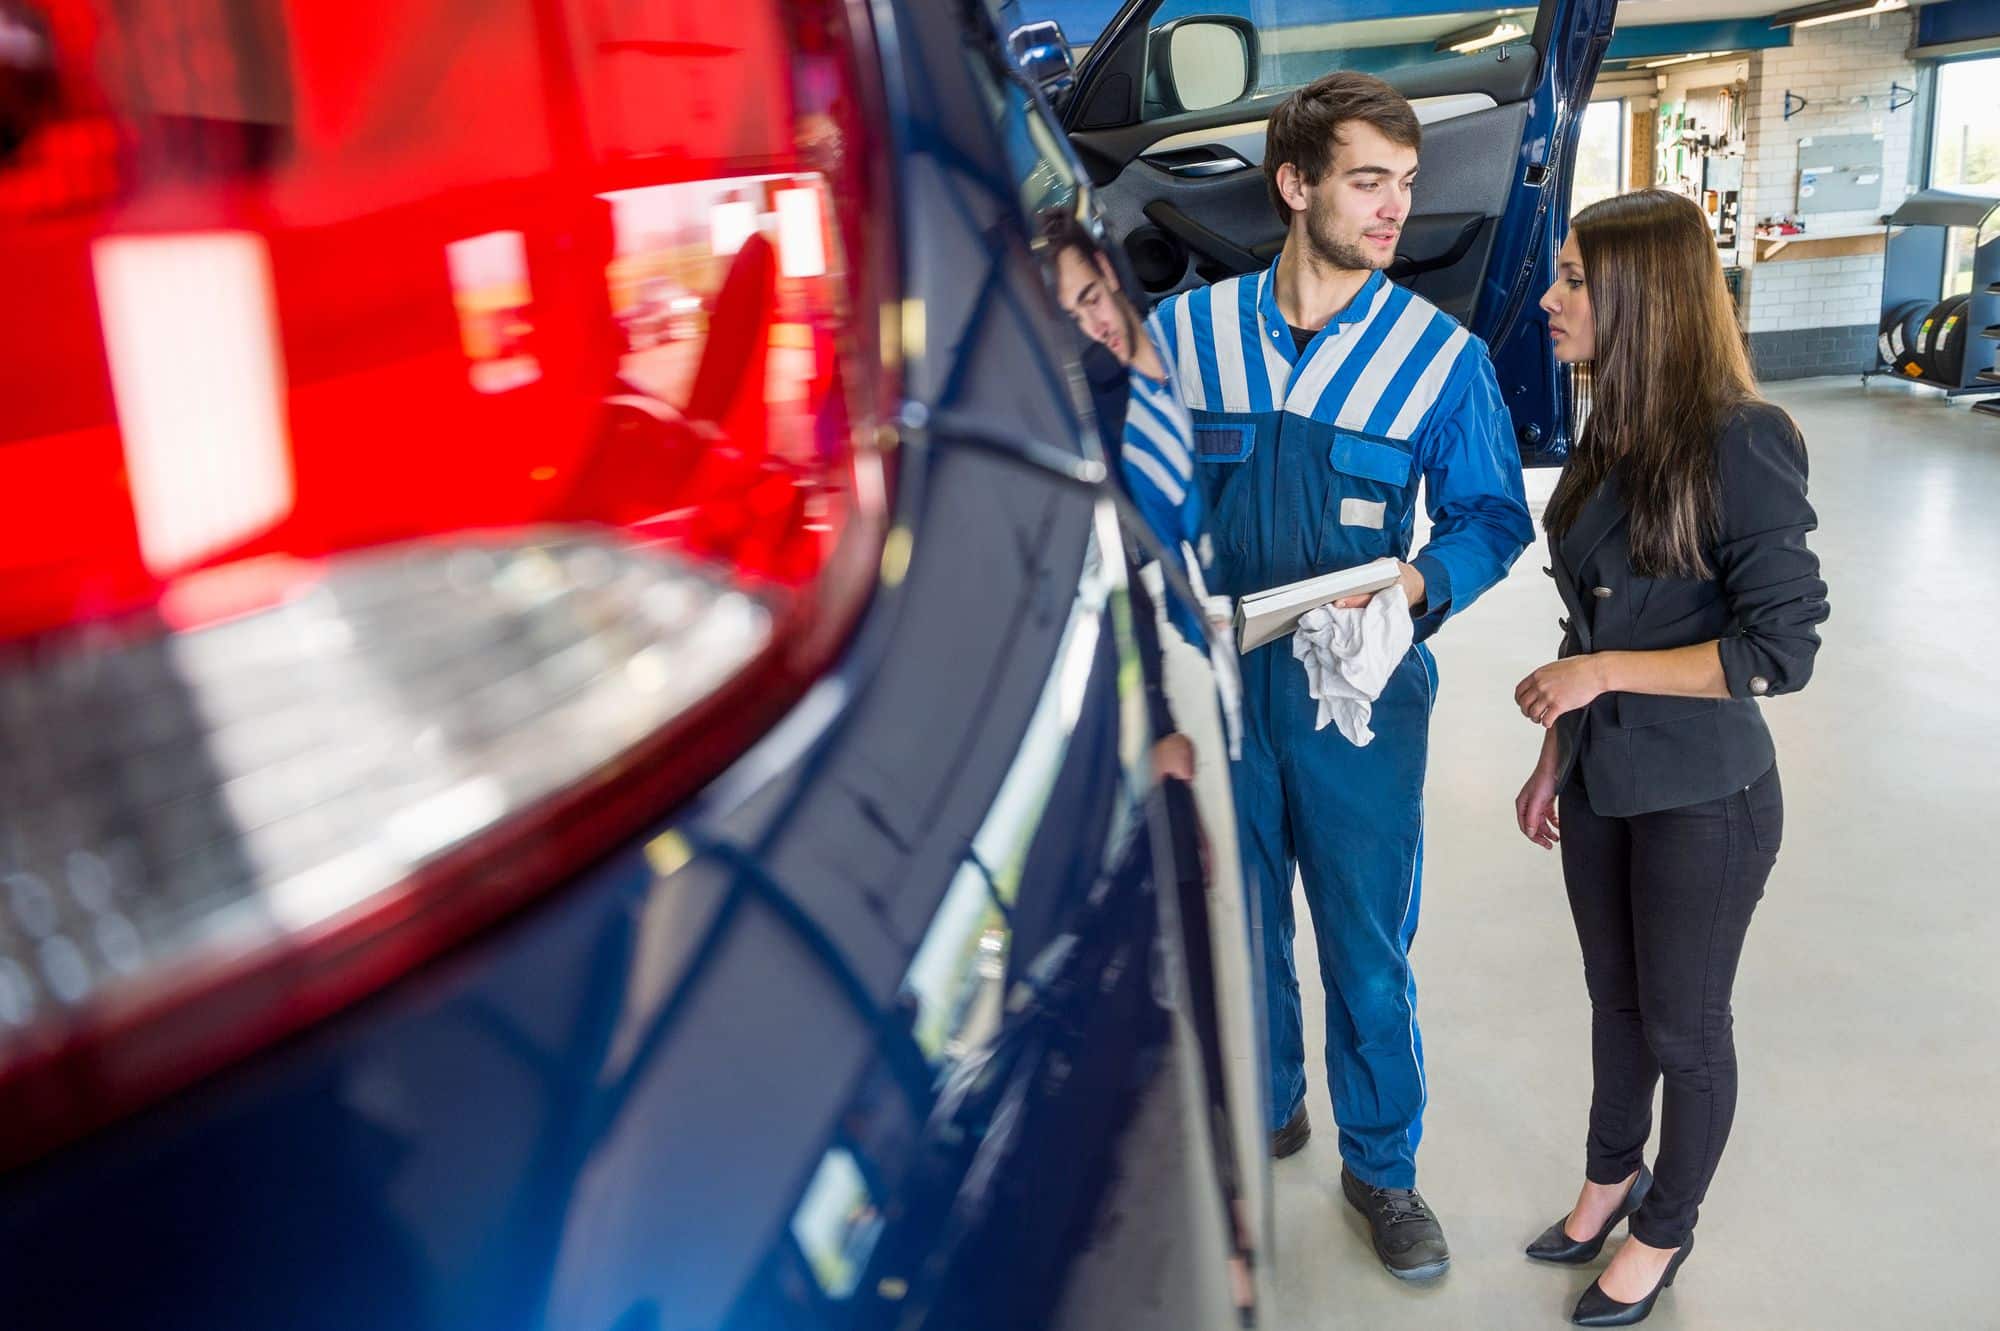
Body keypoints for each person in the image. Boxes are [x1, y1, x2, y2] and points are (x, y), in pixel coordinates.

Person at [1150, 71, 1533, 1282]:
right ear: (1294, 185)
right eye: (1368, 181)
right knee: (1239, 911)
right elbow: (1139, 493)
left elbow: (1488, 516)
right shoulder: (1184, 336)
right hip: (1218, 689)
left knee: (1366, 939)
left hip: (1356, 700)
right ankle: (1269, 1102)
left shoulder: (1438, 359)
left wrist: (1415, 592)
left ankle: (1381, 1164)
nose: (1392, 209)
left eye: (1405, 185)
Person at [1513, 188, 1828, 1327]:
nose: (1549, 299)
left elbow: (1776, 648)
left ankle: (1663, 1225)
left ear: (1638, 297)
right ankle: (1609, 1177)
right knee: (1614, 1002)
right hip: (1604, 778)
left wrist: (1597, 681)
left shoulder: (1742, 439)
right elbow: (1587, 628)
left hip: (1705, 792)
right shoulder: (1611, 432)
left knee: (1684, 1026)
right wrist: (1558, 750)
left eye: (1571, 279)